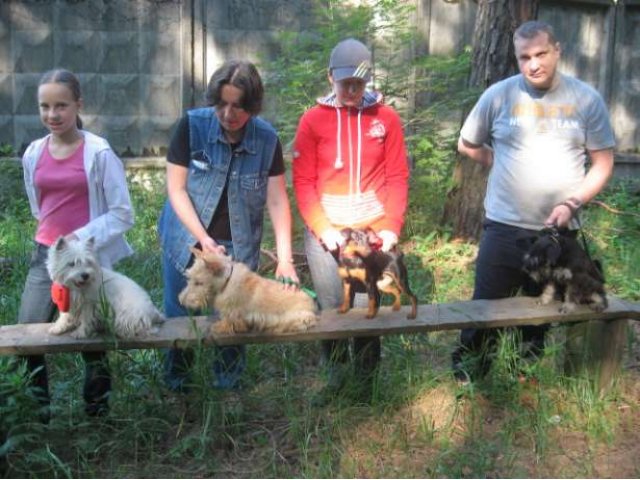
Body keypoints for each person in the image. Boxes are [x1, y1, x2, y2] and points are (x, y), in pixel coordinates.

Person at [451, 20, 615, 382]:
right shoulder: (498, 95)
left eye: (541, 53)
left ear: (558, 51)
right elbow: (467, 144)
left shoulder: (586, 99)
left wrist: (572, 203)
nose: (533, 63)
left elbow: (603, 164)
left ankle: (524, 373)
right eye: (524, 57)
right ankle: (470, 375)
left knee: (540, 312)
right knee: (485, 308)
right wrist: (498, 162)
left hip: (558, 235)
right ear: (516, 58)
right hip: (504, 226)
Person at [158, 60, 299, 392]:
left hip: (239, 248)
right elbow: (176, 190)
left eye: (237, 106)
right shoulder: (191, 127)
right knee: (181, 315)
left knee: (234, 320)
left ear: (252, 105)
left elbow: (277, 201)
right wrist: (203, 239)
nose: (227, 113)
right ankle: (179, 389)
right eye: (221, 103)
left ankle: (229, 390)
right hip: (187, 242)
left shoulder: (266, 139)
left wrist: (286, 259)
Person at [292, 38, 410, 404]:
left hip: (372, 234)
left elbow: (397, 176)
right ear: (331, 78)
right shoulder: (312, 120)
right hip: (327, 233)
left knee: (366, 307)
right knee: (332, 307)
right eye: (345, 83)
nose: (352, 91)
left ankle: (367, 384)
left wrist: (390, 226)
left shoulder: (385, 118)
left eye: (359, 83)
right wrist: (323, 230)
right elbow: (303, 180)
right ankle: (336, 379)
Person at [18, 69, 135, 418]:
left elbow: (122, 213)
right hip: (47, 257)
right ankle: (38, 414)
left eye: (61, 106)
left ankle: (96, 412)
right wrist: (55, 242)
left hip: (87, 259)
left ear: (78, 105)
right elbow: (38, 206)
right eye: (45, 106)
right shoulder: (33, 153)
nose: (52, 115)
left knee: (92, 338)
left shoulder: (99, 153)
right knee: (27, 336)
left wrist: (79, 238)